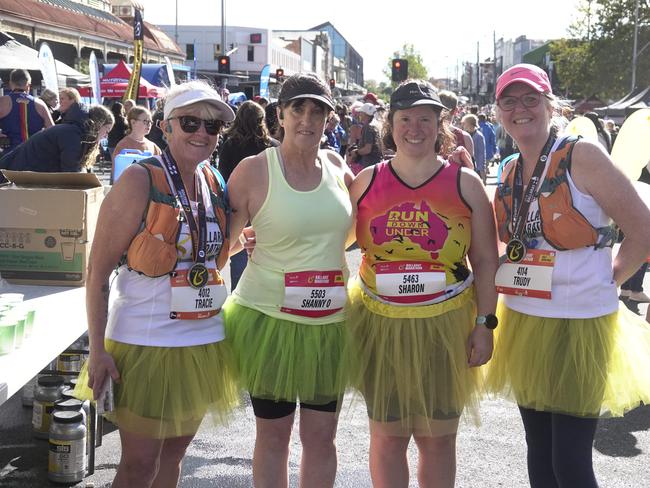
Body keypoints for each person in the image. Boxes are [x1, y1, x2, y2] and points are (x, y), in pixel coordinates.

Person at [488, 63, 650, 488]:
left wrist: (612, 278)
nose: (520, 109)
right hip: (525, 319)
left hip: (581, 322)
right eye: (510, 101)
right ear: (498, 111)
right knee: (539, 453)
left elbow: (643, 228)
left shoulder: (582, 155)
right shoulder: (508, 168)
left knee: (571, 462)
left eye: (530, 99)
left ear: (550, 104)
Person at [73, 80, 239, 488]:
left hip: (201, 342)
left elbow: (203, 254)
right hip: (146, 341)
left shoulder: (215, 181)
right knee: (139, 466)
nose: (202, 133)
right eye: (190, 122)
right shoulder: (138, 179)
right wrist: (97, 349)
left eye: (212, 126)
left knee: (174, 457)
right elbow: (96, 273)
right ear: (166, 127)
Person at [346, 80, 498, 488]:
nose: (415, 128)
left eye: (425, 119)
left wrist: (486, 323)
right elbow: (328, 238)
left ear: (439, 125)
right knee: (387, 438)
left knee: (438, 440)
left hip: (446, 324)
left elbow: (485, 260)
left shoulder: (466, 184)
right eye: (406, 118)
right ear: (390, 124)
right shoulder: (365, 182)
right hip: (379, 323)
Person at [225, 73, 354, 488]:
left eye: (317, 110)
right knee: (274, 436)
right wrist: (243, 237)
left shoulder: (336, 165)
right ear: (279, 114)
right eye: (298, 108)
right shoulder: (254, 171)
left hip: (328, 325)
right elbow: (219, 248)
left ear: (328, 118)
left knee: (321, 438)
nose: (307, 119)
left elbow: (348, 232)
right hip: (269, 322)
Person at [217, 100, 278, 289]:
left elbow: (223, 178)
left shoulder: (229, 145)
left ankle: (238, 297)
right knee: (269, 256)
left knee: (239, 256)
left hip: (237, 208)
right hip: (269, 207)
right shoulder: (274, 147)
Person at [0, 104, 114, 173]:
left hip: (19, 172)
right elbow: (71, 173)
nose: (106, 136)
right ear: (98, 124)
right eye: (107, 130)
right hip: (14, 174)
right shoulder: (73, 134)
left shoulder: (74, 132)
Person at [0, 69, 54, 153]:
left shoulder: (2, 102)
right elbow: (52, 131)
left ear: (11, 83)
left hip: (9, 156)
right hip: (34, 155)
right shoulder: (40, 104)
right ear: (28, 85)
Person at [111, 106, 162, 182]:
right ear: (133, 122)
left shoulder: (153, 146)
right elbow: (116, 174)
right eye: (145, 121)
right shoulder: (123, 145)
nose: (149, 124)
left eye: (150, 122)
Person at [461, 114, 487, 184]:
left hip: (477, 164)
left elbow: (482, 153)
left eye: (465, 123)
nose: (463, 125)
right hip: (467, 163)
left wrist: (482, 168)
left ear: (470, 124)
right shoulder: (464, 135)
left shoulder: (479, 136)